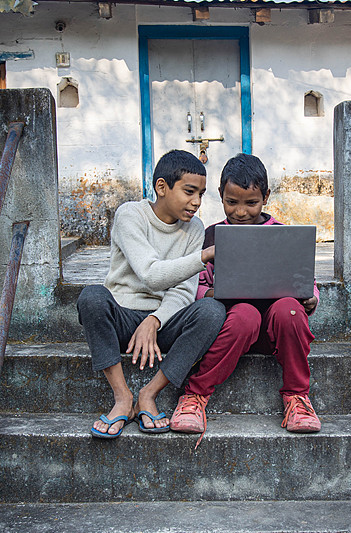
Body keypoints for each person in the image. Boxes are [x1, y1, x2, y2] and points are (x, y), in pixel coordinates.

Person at [169, 153, 321, 444]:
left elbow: (307, 281)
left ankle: (297, 398)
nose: (240, 212)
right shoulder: (212, 236)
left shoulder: (283, 235)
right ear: (220, 196)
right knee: (245, 314)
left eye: (251, 203)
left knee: (289, 310)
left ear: (265, 196)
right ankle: (195, 395)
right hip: (233, 331)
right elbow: (193, 285)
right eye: (231, 202)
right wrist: (210, 293)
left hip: (276, 330)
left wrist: (310, 298)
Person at [77, 149, 226, 438]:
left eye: (201, 194)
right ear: (162, 187)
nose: (196, 202)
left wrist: (155, 320)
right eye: (189, 191)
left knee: (212, 310)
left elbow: (184, 291)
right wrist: (205, 256)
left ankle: (148, 394)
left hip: (163, 323)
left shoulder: (194, 228)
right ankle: (122, 398)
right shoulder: (130, 215)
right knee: (92, 297)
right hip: (122, 317)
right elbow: (151, 274)